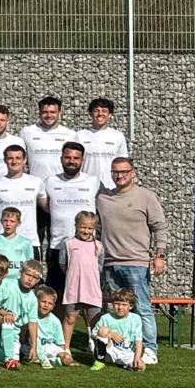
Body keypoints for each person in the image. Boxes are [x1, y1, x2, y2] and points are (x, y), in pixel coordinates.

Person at [94, 158, 167, 360]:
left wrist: (159, 255)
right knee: (116, 309)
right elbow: (98, 230)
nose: (119, 176)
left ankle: (150, 350)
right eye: (115, 172)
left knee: (142, 308)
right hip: (110, 263)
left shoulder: (146, 197)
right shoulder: (103, 199)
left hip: (136, 263)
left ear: (133, 173)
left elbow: (159, 227)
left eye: (124, 172)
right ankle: (121, 347)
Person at [38, 141, 101, 286]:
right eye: (67, 157)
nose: (71, 161)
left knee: (86, 288)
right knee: (56, 292)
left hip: (86, 246)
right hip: (58, 245)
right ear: (61, 159)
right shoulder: (50, 181)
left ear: (82, 161)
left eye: (76, 158)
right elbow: (47, 207)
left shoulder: (93, 182)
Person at [59, 211, 105, 351]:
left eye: (90, 228)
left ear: (94, 228)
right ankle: (65, 349)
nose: (86, 231)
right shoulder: (68, 243)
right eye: (83, 227)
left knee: (95, 320)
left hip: (92, 289)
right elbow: (63, 264)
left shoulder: (99, 246)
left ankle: (97, 351)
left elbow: (100, 267)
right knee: (70, 318)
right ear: (76, 226)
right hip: (73, 289)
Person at [0, 145, 39, 237]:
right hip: (4, 240)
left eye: (18, 158)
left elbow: (48, 207)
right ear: (5, 160)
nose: (14, 161)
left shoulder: (36, 182)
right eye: (10, 158)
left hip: (30, 240)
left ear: (25, 160)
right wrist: (2, 228)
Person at [19, 95, 77, 181]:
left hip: (61, 184)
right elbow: (19, 160)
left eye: (52, 112)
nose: (49, 115)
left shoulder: (70, 135)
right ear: (39, 112)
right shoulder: (27, 132)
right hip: (35, 184)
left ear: (60, 112)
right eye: (45, 112)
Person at [77, 97, 130, 188]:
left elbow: (123, 164)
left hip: (111, 187)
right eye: (96, 111)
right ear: (91, 114)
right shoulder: (79, 136)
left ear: (110, 115)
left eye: (104, 111)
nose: (100, 114)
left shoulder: (117, 136)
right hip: (86, 187)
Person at [90, 287, 147, 372]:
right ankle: (100, 361)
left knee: (140, 368)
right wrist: (110, 335)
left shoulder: (136, 319)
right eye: (117, 304)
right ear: (112, 304)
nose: (120, 307)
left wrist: (137, 358)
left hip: (127, 352)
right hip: (109, 350)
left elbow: (138, 340)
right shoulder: (106, 318)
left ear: (131, 306)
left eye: (124, 304)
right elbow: (93, 334)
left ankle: (128, 364)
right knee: (103, 330)